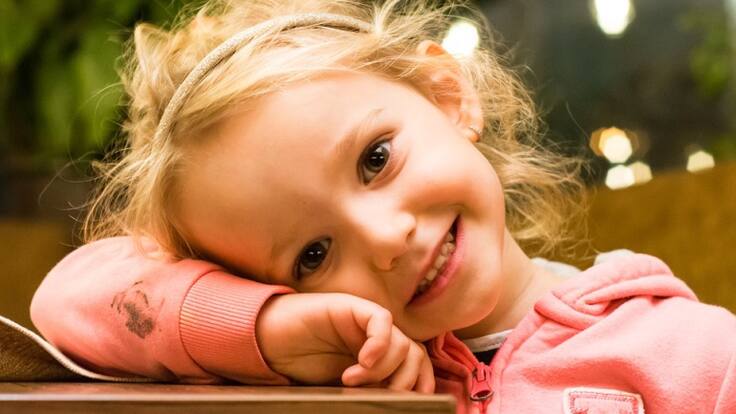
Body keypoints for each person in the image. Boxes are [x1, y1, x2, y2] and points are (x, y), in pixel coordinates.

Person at [30, 0, 736, 413]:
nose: (385, 239)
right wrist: (267, 329)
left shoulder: (692, 355)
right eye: (312, 255)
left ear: (446, 96)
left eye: (375, 159)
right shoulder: (329, 372)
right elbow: (67, 300)